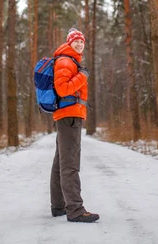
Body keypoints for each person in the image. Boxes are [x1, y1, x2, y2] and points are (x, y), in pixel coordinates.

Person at [50, 28, 100, 223]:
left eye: (82, 41)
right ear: (68, 42)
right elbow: (63, 89)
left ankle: (59, 206)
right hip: (69, 116)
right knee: (70, 164)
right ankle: (75, 209)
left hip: (67, 116)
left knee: (60, 163)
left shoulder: (70, 61)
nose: (79, 44)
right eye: (76, 41)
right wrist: (83, 76)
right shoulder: (65, 61)